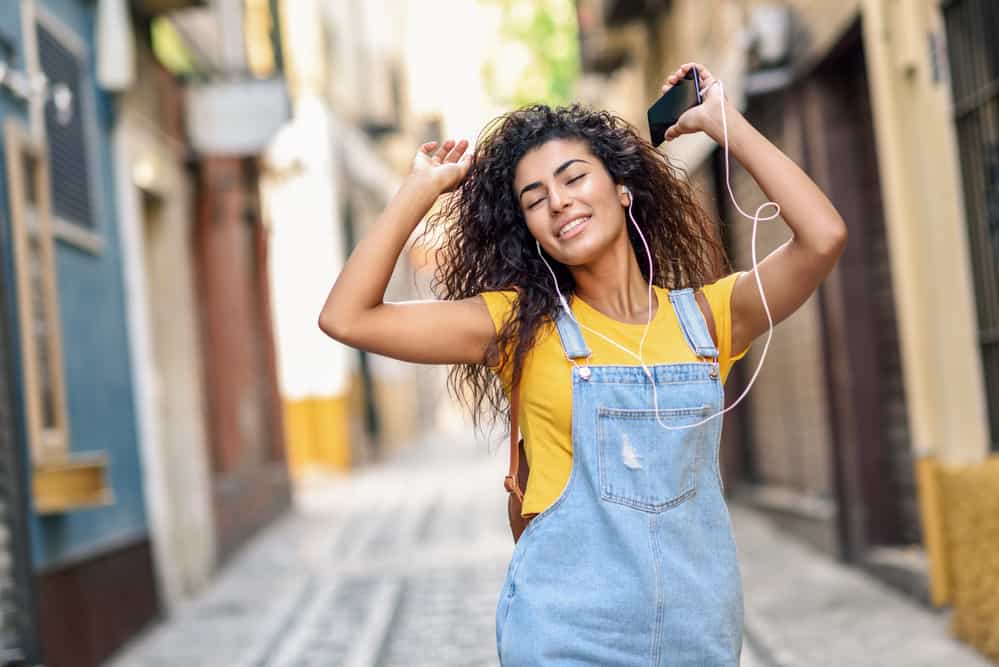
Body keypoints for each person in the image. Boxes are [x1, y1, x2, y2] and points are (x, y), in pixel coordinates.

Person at [319, 63, 846, 665]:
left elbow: (823, 237)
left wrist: (729, 125)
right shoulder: (515, 325)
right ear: (533, 232)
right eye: (535, 199)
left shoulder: (709, 318)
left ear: (622, 189)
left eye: (573, 178)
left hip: (697, 637)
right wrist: (416, 191)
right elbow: (347, 317)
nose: (559, 202)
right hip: (567, 639)